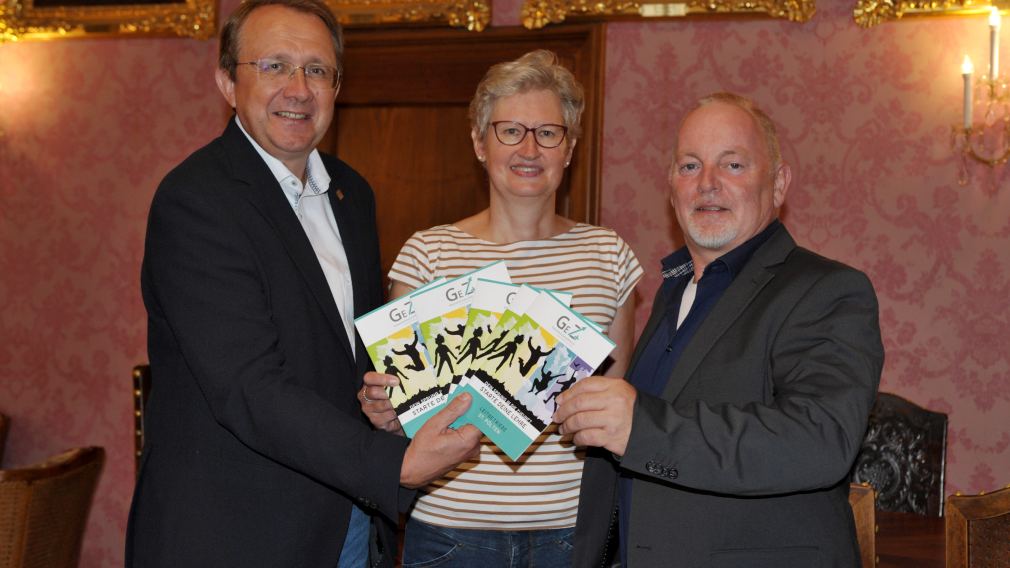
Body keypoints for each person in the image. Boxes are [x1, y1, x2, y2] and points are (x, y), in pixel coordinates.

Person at [125, 1, 480, 565]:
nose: (298, 88)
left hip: (348, 522)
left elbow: (352, 353)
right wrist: (395, 464)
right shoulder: (196, 201)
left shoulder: (351, 193)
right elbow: (248, 385)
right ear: (226, 81)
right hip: (237, 532)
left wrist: (392, 402)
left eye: (317, 70)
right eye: (273, 66)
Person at [554, 92, 884, 567]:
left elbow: (820, 440)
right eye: (690, 166)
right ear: (671, 187)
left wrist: (640, 426)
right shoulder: (673, 291)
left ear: (779, 183)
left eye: (732, 165)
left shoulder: (828, 289)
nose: (707, 184)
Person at [359, 50, 643, 566]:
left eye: (548, 132)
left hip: (571, 534)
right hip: (450, 532)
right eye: (510, 130)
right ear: (479, 142)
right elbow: (399, 406)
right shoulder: (429, 252)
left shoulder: (609, 255)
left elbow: (615, 406)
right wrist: (386, 412)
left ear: (570, 148)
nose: (529, 148)